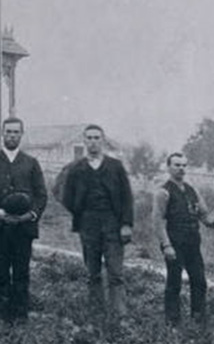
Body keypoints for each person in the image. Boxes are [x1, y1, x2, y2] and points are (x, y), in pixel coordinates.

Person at [0, 117, 47, 324]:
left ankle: (21, 315)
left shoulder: (31, 163)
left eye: (16, 132)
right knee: (1, 271)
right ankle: (1, 314)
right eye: (9, 132)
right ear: (2, 134)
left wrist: (31, 214)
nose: (12, 136)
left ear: (21, 135)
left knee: (22, 271)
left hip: (24, 227)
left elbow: (41, 195)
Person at [152, 152, 214, 328]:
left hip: (192, 242)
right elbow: (157, 221)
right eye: (177, 165)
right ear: (169, 167)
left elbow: (207, 217)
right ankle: (172, 323)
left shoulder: (192, 191)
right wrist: (166, 245)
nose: (181, 169)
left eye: (184, 165)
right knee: (174, 282)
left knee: (199, 281)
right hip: (174, 242)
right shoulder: (163, 192)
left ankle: (198, 320)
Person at [60, 124, 133, 322]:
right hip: (88, 224)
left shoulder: (115, 166)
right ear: (84, 141)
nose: (93, 142)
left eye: (96, 138)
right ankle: (96, 315)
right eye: (89, 138)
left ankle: (119, 317)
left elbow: (127, 197)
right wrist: (80, 213)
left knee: (115, 272)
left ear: (103, 141)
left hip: (112, 223)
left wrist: (126, 224)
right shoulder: (76, 168)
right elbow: (66, 196)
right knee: (92, 272)